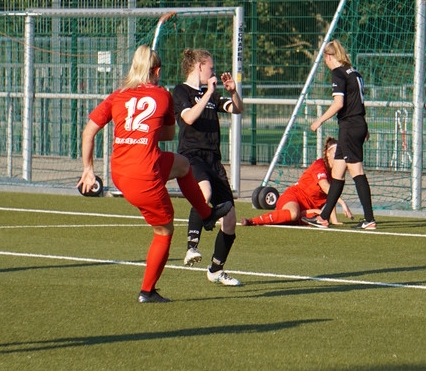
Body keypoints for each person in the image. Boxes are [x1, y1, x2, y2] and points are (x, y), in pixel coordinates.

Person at [77, 44, 234, 303]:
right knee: (164, 230)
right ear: (157, 70)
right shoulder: (162, 94)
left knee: (182, 165)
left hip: (121, 171)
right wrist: (147, 132)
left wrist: (88, 170)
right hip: (144, 174)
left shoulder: (117, 95)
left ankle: (206, 216)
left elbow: (88, 132)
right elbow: (170, 134)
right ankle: (147, 291)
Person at [173, 48, 243, 286]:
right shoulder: (181, 91)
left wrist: (233, 93)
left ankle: (216, 269)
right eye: (211, 68)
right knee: (205, 193)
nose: (214, 72)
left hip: (214, 159)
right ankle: (192, 247)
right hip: (192, 156)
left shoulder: (210, 94)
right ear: (199, 67)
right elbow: (189, 118)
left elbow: (237, 109)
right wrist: (209, 93)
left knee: (230, 218)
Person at [303, 40, 377, 230]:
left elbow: (339, 104)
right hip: (357, 124)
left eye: (325, 59)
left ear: (329, 57)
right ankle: (324, 217)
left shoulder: (338, 73)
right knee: (337, 172)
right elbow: (359, 101)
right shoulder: (355, 73)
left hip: (349, 126)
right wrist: (364, 125)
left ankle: (369, 219)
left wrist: (319, 121)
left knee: (357, 171)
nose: (325, 64)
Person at [242, 137, 353, 226]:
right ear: (327, 153)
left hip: (310, 210)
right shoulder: (319, 164)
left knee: (321, 218)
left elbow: (330, 197)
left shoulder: (335, 173)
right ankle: (252, 221)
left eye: (341, 155)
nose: (339, 157)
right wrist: (342, 202)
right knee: (293, 214)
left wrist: (334, 220)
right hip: (294, 197)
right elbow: (325, 187)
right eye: (336, 153)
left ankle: (296, 217)